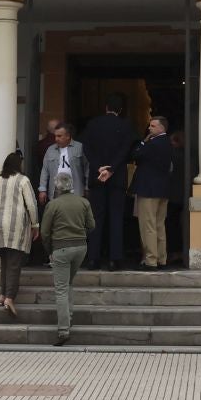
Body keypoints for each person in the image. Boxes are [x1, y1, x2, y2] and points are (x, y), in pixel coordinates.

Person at [39, 171, 94, 345]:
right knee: (68, 282)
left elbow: (45, 232)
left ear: (57, 187)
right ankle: (69, 316)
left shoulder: (53, 205)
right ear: (72, 185)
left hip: (61, 249)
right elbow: (91, 226)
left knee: (61, 288)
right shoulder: (84, 202)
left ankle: (63, 330)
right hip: (80, 247)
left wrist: (50, 250)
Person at [82, 94, 134, 271]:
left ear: (106, 107)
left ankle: (93, 259)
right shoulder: (125, 125)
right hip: (116, 177)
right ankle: (114, 259)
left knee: (96, 218)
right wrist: (111, 169)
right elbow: (125, 150)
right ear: (120, 110)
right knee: (116, 218)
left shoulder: (93, 124)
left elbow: (86, 148)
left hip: (97, 177)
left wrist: (99, 168)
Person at [0, 149, 38, 317]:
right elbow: (31, 203)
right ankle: (9, 297)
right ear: (18, 165)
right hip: (16, 226)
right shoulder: (23, 180)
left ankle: (2, 295)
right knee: (14, 263)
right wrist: (35, 224)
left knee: (5, 262)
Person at [131, 115, 176, 269]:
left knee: (148, 226)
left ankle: (150, 260)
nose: (149, 128)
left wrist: (143, 141)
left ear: (161, 128)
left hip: (148, 189)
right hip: (163, 190)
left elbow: (135, 154)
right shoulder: (169, 143)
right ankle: (161, 259)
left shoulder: (152, 143)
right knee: (159, 225)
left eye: (153, 126)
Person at [38, 123, 87, 204]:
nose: (56, 139)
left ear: (68, 136)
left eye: (59, 136)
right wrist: (42, 189)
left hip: (75, 190)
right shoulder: (50, 149)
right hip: (56, 191)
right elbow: (45, 170)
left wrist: (87, 187)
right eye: (55, 136)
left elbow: (87, 168)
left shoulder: (79, 147)